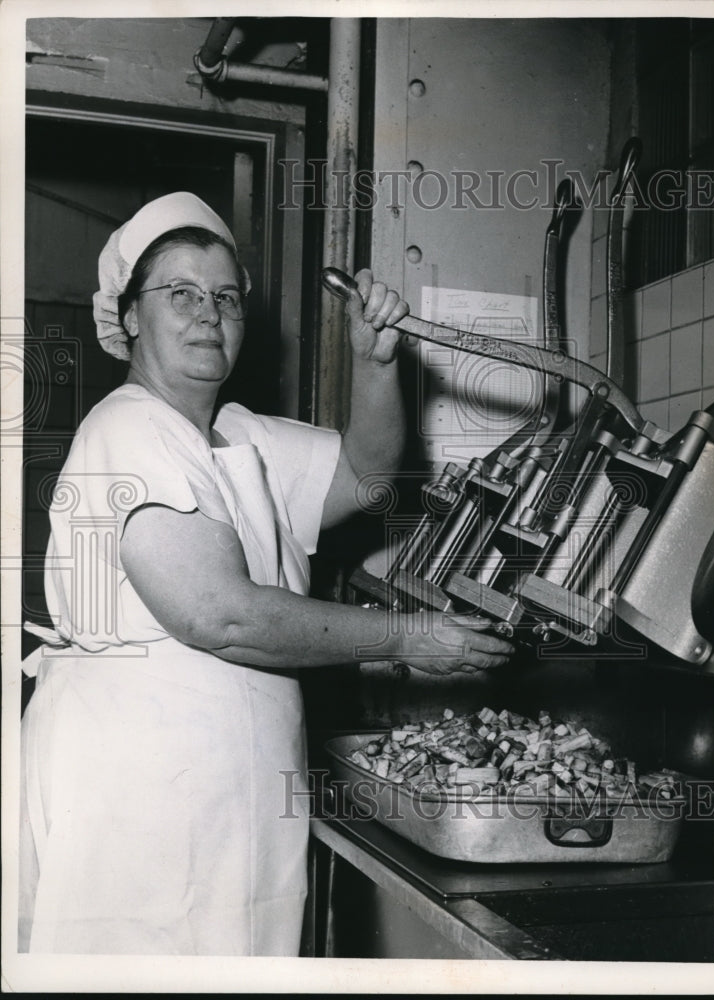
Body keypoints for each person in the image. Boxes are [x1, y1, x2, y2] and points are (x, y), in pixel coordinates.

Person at [19, 192, 513, 957]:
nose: (207, 313)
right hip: (139, 804)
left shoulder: (236, 434)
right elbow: (220, 614)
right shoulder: (128, 426)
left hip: (223, 796)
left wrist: (374, 362)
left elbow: (367, 474)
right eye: (179, 293)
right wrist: (408, 638)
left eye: (224, 297)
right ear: (126, 320)